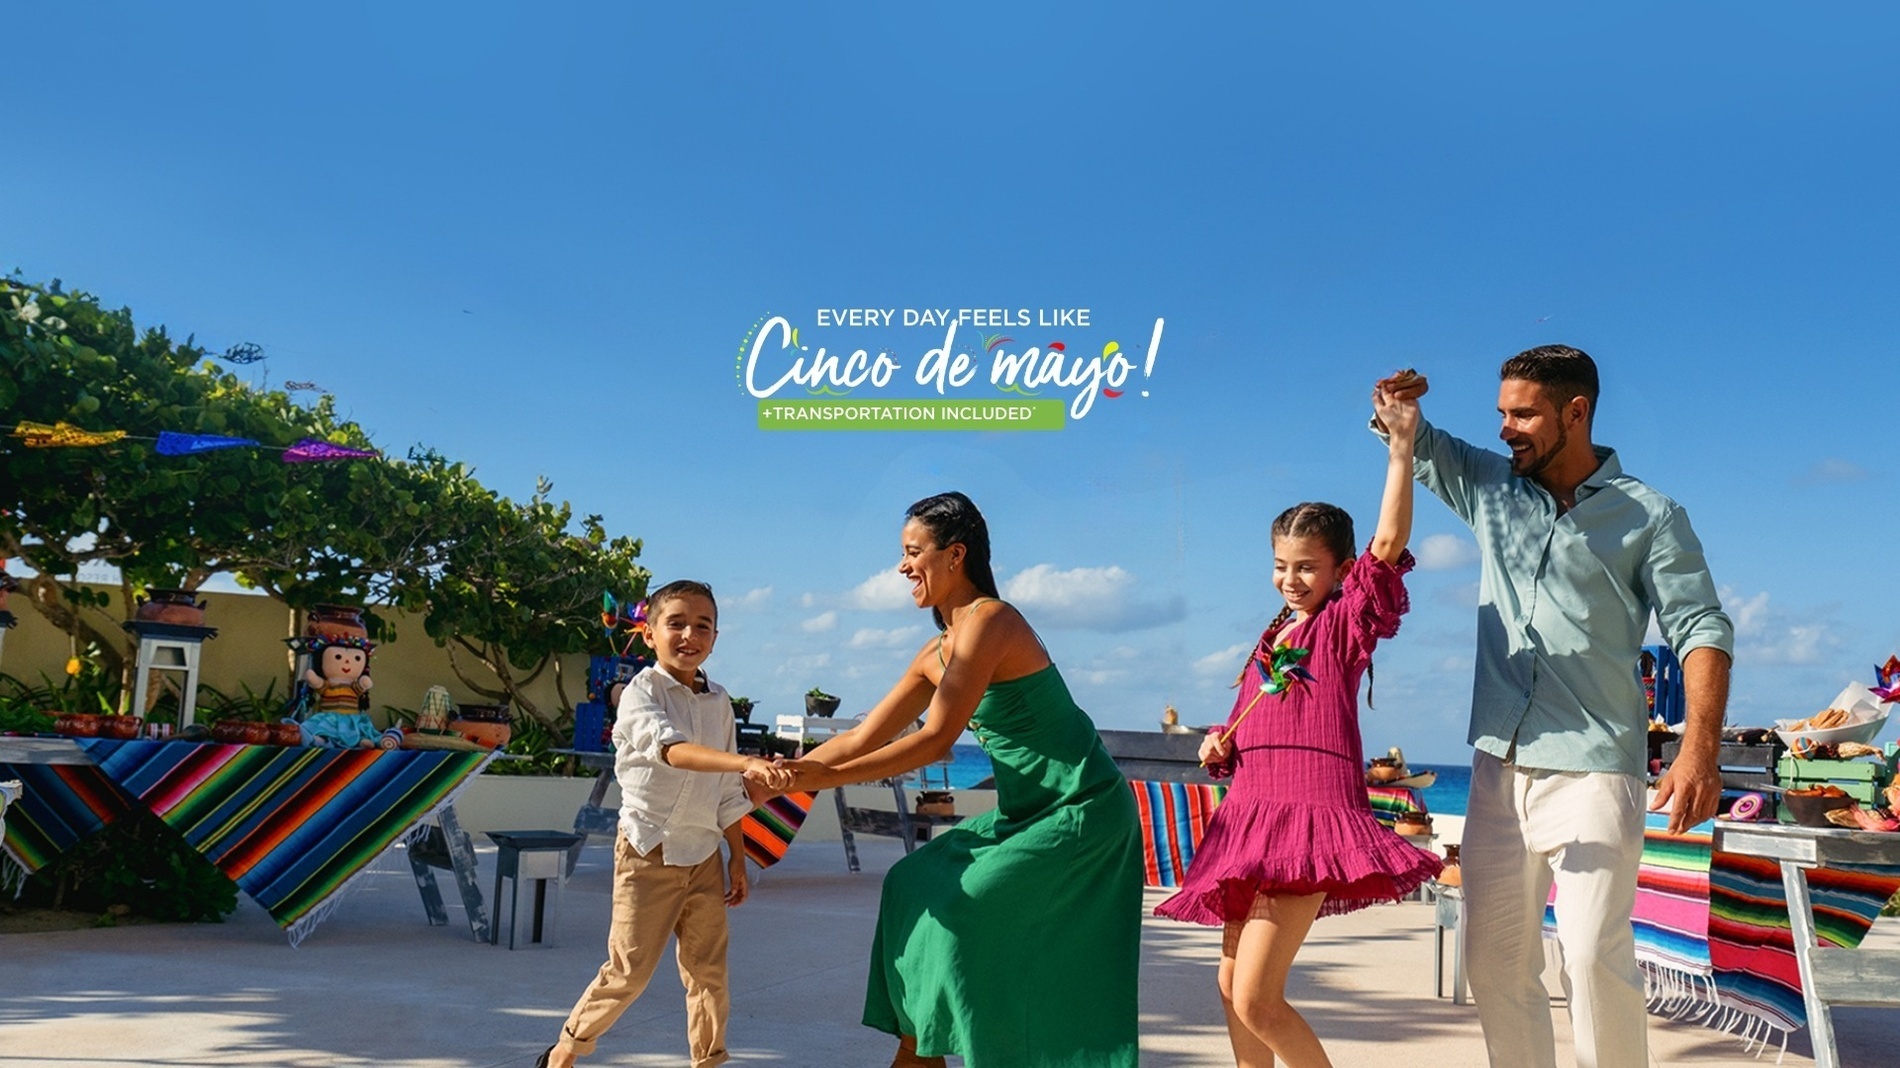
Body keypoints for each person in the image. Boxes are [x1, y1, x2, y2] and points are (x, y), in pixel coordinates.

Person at [1375, 346, 1733, 1068]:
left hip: (1595, 770)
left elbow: (1700, 628)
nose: (1506, 429)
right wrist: (1395, 404)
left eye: (1524, 414)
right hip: (1497, 766)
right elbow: (1408, 437)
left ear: (1576, 413)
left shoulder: (1650, 517)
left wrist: (1700, 750)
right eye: (1501, 413)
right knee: (1496, 963)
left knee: (1592, 956)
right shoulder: (1490, 486)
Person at [777, 491, 1143, 1068]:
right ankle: (918, 1046)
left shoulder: (992, 621)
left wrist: (824, 777)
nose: (902, 567)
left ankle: (938, 1047)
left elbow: (936, 739)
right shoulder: (935, 650)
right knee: (910, 884)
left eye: (912, 552)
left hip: (1081, 808)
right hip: (1023, 812)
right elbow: (862, 735)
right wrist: (791, 772)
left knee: (963, 913)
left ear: (956, 555)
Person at [1155, 381, 1441, 1068]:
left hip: (1305, 822)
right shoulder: (1271, 639)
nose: (1290, 578)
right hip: (1247, 822)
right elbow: (1244, 726)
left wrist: (1401, 447)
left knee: (1257, 997)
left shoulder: (1343, 626)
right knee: (1229, 987)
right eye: (1281, 565)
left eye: (1307, 567)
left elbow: (1389, 540)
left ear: (1341, 570)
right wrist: (1217, 741)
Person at [538, 580, 790, 1068]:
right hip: (646, 853)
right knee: (628, 972)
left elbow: (723, 795)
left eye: (702, 625)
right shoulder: (639, 693)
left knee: (709, 974)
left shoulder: (719, 703)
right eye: (675, 623)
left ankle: (709, 1061)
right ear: (650, 633)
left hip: (703, 859)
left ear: (716, 637)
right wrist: (744, 765)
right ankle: (565, 1050)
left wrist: (737, 858)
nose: (689, 635)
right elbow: (672, 752)